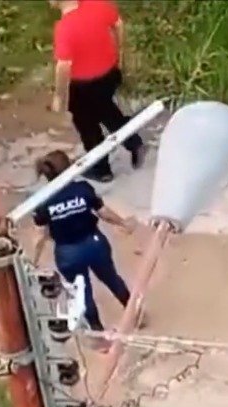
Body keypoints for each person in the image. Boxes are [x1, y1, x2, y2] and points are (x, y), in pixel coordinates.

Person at [29, 151, 137, 338]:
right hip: (94, 243)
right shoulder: (83, 189)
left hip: (67, 252)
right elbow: (103, 212)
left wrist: (33, 261)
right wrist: (123, 223)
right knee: (112, 278)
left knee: (81, 291)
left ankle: (97, 330)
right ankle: (134, 315)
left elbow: (41, 235)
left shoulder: (43, 201)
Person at [49, 0, 145, 183]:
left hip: (83, 86)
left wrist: (59, 97)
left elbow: (63, 66)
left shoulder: (65, 28)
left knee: (88, 127)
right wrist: (119, 55)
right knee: (108, 111)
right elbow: (118, 24)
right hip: (109, 74)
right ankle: (133, 142)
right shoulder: (98, 3)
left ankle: (101, 169)